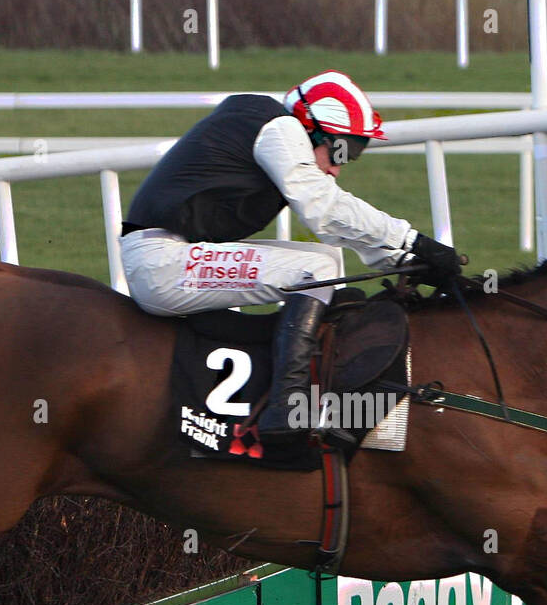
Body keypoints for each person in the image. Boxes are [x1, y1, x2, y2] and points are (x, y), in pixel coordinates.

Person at [118, 70, 461, 445]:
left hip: (173, 254)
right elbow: (322, 207)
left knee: (325, 258)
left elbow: (332, 228)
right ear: (311, 127)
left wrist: (403, 262)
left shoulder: (270, 128)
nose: (337, 167)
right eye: (340, 149)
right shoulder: (278, 128)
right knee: (316, 269)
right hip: (162, 263)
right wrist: (413, 239)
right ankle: (287, 408)